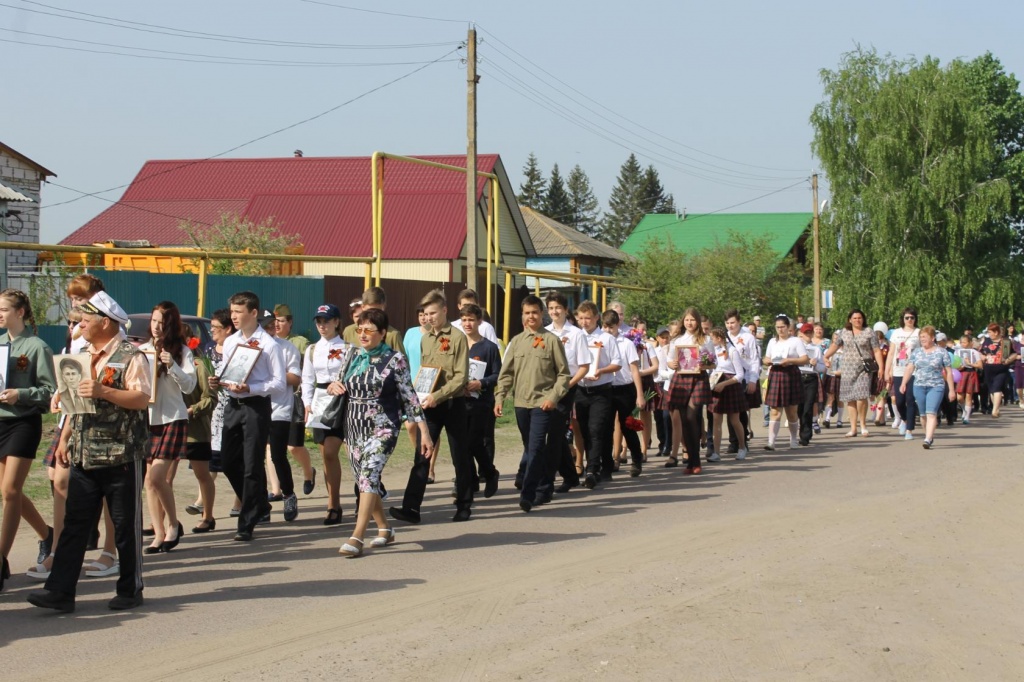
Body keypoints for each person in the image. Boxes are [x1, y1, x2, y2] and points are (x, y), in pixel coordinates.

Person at [28, 291, 151, 612]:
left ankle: (130, 589)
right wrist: (65, 432)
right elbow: (76, 404)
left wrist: (104, 390)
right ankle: (60, 592)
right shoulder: (81, 356)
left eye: (85, 320)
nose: (79, 325)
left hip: (121, 455)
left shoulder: (131, 356)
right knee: (75, 525)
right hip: (85, 453)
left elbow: (141, 399)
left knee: (125, 526)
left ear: (106, 323)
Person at [338, 308, 431, 557]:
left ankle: (357, 535)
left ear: (382, 333)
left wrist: (425, 433)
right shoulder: (351, 354)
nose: (363, 334)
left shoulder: (395, 359)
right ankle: (385, 528)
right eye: (360, 329)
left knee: (369, 475)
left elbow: (410, 398)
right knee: (365, 481)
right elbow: (340, 382)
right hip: (353, 426)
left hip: (382, 427)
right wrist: (335, 386)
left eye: (369, 330)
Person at [391, 289, 473, 524]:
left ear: (445, 310)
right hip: (431, 404)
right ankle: (411, 508)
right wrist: (422, 394)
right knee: (422, 453)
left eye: (433, 313)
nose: (429, 318)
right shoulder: (425, 338)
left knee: (460, 455)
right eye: (426, 314)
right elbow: (426, 371)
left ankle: (464, 504)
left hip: (453, 403)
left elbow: (460, 376)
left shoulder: (457, 337)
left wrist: (439, 394)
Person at [208, 292, 286, 542]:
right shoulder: (231, 341)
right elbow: (230, 371)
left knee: (252, 464)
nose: (234, 316)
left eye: (239, 312)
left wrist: (251, 388)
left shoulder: (269, 344)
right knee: (229, 462)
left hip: (255, 406)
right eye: (232, 312)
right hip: (233, 404)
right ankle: (260, 502)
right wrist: (217, 380)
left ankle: (247, 520)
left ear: (253, 313)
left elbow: (279, 383)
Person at [0, 290, 56, 592]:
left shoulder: (36, 346)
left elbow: (50, 391)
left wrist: (20, 394)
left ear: (20, 312)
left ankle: (1, 558)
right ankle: (46, 534)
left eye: (4, 309)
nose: (0, 314)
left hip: (22, 422)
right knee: (9, 492)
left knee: (10, 491)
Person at [494, 295, 571, 512]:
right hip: (521, 404)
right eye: (527, 313)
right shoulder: (516, 342)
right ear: (522, 315)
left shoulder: (552, 341)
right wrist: (500, 397)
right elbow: (506, 373)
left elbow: (564, 375)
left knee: (536, 447)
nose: (531, 317)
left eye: (535, 312)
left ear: (541, 314)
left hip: (542, 403)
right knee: (531, 448)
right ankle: (545, 485)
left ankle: (528, 494)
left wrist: (552, 398)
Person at [139, 302, 196, 555]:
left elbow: (189, 386)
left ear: (171, 324)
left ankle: (173, 524)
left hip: (172, 417)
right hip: (148, 420)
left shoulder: (182, 351)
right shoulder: (141, 350)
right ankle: (159, 532)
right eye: (153, 321)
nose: (157, 327)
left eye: (162, 322)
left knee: (157, 477)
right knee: (149, 482)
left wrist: (171, 365)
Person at [301, 304, 351, 525]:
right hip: (320, 402)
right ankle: (333, 503)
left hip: (342, 402)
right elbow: (307, 379)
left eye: (327, 321)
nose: (322, 325)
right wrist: (307, 403)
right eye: (319, 321)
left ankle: (364, 497)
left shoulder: (348, 348)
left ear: (337, 322)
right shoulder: (312, 350)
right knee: (326, 456)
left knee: (333, 452)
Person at [543, 292, 590, 494]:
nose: (554, 311)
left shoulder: (576, 334)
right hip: (547, 388)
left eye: (558, 308)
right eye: (551, 308)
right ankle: (570, 476)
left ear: (565, 309)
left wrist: (567, 385)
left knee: (555, 432)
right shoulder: (544, 332)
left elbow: (584, 366)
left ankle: (548, 478)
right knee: (555, 433)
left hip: (567, 388)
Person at [573, 300, 621, 488]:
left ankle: (592, 469)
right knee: (584, 431)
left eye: (588, 318)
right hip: (581, 389)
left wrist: (600, 371)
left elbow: (617, 363)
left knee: (596, 429)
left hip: (601, 390)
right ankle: (598, 464)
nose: (584, 322)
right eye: (581, 318)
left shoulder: (607, 338)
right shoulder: (576, 337)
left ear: (596, 318)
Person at [263, 312, 303, 523]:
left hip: (279, 409)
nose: (272, 328)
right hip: (254, 408)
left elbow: (296, 378)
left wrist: (276, 373)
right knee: (252, 459)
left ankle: (288, 494)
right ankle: (260, 503)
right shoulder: (249, 346)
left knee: (277, 455)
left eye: (274, 324)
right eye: (267, 325)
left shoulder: (287, 348)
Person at [274, 304, 316, 496]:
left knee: (294, 447)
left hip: (296, 398)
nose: (277, 324)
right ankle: (276, 490)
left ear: (290, 323)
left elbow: (308, 371)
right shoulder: (268, 342)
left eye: (281, 321)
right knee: (271, 448)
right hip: (275, 402)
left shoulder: (300, 343)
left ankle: (309, 472)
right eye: (275, 320)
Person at [460, 304, 501, 498]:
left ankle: (490, 473)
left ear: (479, 321)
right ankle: (470, 482)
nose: (467, 323)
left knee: (474, 441)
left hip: (481, 402)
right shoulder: (457, 345)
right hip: (460, 402)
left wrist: (481, 383)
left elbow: (497, 375)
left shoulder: (489, 347)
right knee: (461, 443)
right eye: (464, 319)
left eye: (471, 320)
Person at [665, 307, 713, 473]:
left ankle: (696, 460)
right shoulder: (677, 340)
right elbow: (670, 361)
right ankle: (691, 461)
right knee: (684, 419)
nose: (689, 322)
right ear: (683, 321)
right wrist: (672, 364)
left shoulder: (705, 339)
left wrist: (704, 364)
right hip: (681, 379)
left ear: (698, 321)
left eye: (692, 319)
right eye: (687, 320)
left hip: (698, 378)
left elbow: (713, 362)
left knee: (693, 415)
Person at [825, 309, 883, 439]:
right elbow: (835, 346)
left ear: (863, 319)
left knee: (861, 396)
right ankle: (853, 428)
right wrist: (826, 356)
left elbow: (877, 351)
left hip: (863, 369)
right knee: (850, 398)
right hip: (847, 369)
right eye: (855, 318)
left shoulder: (869, 332)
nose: (857, 320)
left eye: (860, 318)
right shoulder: (843, 333)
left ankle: (863, 425)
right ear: (850, 320)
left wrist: (881, 368)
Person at [183, 332, 218, 534]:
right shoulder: (164, 365)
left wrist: (192, 410)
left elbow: (210, 398)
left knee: (202, 474)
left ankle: (208, 516)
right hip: (171, 429)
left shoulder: (199, 366)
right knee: (162, 478)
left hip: (195, 431)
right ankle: (163, 522)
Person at [604, 310, 647, 476]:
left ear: (618, 326)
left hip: (625, 389)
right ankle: (608, 462)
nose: (608, 331)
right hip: (607, 387)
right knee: (607, 427)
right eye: (605, 327)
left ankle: (636, 459)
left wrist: (639, 394)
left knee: (627, 426)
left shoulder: (626, 343)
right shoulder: (600, 342)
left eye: (611, 327)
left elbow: (635, 370)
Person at [901, 326, 955, 448]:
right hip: (919, 385)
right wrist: (904, 383)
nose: (922, 339)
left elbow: (949, 372)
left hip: (936, 386)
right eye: (921, 337)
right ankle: (928, 435)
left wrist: (951, 390)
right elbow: (910, 368)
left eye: (924, 337)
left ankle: (927, 438)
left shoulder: (942, 352)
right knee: (923, 415)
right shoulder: (917, 352)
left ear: (932, 338)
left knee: (931, 413)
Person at [762, 314, 809, 450]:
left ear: (788, 327)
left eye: (782, 327)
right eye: (778, 327)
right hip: (776, 374)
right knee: (774, 410)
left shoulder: (795, 341)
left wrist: (789, 360)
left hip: (791, 374)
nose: (780, 330)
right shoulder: (772, 342)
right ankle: (771, 442)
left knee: (791, 411)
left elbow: (805, 359)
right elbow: (766, 358)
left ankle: (793, 439)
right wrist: (767, 361)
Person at [708, 327, 748, 459]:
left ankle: (742, 448)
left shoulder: (732, 351)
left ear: (719, 338)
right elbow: (715, 368)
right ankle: (716, 452)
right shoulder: (715, 351)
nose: (711, 340)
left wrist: (724, 384)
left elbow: (740, 375)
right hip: (717, 385)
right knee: (716, 420)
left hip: (730, 386)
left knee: (734, 420)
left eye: (712, 338)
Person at [724, 309, 760, 453]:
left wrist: (753, 380)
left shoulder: (748, 337)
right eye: (727, 323)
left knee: (740, 410)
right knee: (729, 410)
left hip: (744, 377)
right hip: (728, 377)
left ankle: (742, 440)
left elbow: (754, 360)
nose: (730, 326)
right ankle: (733, 441)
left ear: (738, 322)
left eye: (732, 322)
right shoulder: (724, 337)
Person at [885, 308, 921, 435]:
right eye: (907, 318)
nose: (910, 320)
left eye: (912, 317)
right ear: (903, 319)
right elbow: (891, 353)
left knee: (910, 399)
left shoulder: (918, 333)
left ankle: (909, 429)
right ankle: (904, 420)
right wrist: (887, 370)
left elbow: (923, 351)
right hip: (898, 369)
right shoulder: (896, 333)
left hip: (913, 370)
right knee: (899, 401)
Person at [979, 323, 1019, 418]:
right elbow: (980, 352)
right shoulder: (986, 341)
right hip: (988, 368)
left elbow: (1014, 354)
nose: (989, 334)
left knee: (997, 388)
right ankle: (996, 408)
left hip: (1001, 368)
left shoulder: (1006, 341)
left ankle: (994, 410)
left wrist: (1008, 360)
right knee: (992, 389)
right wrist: (983, 357)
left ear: (996, 332)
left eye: (990, 332)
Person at [796, 323, 825, 446]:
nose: (808, 335)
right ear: (801, 334)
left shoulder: (816, 349)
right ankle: (800, 430)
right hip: (798, 377)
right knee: (799, 408)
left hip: (811, 378)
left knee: (808, 407)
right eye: (805, 333)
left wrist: (815, 364)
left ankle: (805, 435)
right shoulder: (796, 347)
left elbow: (823, 368)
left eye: (810, 333)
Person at [955, 334, 983, 424]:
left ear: (970, 343)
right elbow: (955, 365)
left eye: (965, 342)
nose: (963, 344)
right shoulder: (957, 352)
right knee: (959, 396)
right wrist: (959, 367)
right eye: (961, 342)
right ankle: (965, 410)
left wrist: (970, 364)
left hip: (970, 373)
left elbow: (980, 365)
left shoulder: (974, 352)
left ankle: (967, 417)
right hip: (961, 373)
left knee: (968, 395)